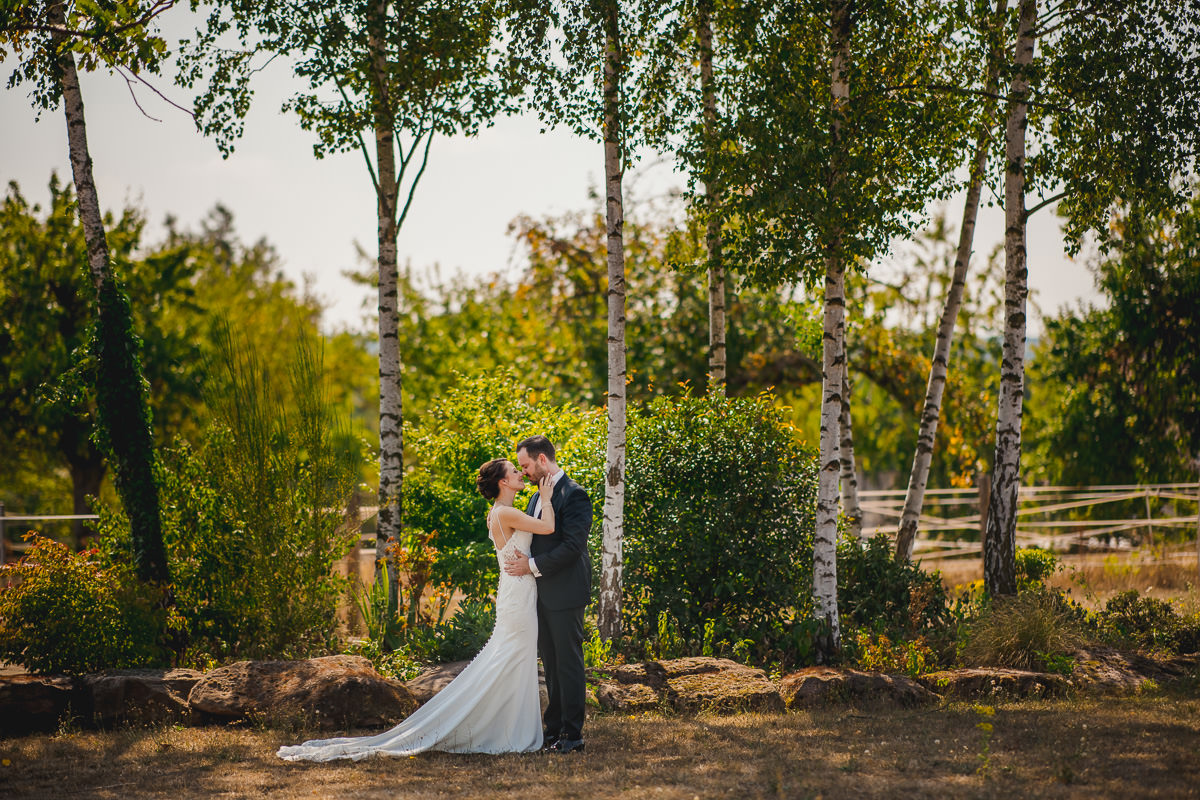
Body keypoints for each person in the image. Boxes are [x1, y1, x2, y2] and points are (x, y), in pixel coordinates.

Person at [276, 459, 556, 761]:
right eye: (514, 471)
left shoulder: (498, 512)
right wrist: (547, 498)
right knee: (514, 657)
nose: (520, 474)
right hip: (517, 593)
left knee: (513, 658)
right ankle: (509, 729)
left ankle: (505, 724)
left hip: (516, 590)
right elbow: (548, 527)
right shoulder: (507, 513)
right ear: (503, 482)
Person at [503, 435, 593, 754]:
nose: (524, 472)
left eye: (526, 465)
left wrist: (530, 566)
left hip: (566, 591)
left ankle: (573, 734)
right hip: (539, 595)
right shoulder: (535, 497)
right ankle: (553, 730)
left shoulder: (574, 494)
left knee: (568, 663)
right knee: (551, 665)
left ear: (542, 459)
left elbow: (573, 547)